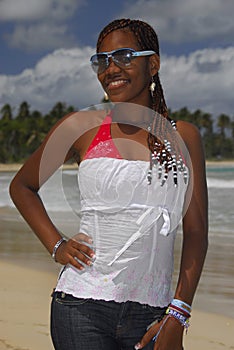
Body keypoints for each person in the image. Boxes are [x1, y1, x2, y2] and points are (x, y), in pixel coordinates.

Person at [9, 18, 208, 350]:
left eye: (125, 56)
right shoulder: (79, 127)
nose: (111, 68)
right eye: (101, 60)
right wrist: (57, 245)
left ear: (153, 64)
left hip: (152, 312)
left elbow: (197, 232)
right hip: (79, 306)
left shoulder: (182, 136)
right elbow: (22, 186)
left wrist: (178, 314)